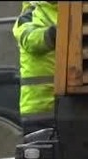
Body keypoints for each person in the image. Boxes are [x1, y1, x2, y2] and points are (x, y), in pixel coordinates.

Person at [12, 1, 58, 136]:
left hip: (73, 106)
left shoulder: (75, 11)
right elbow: (30, 40)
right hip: (39, 111)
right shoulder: (29, 15)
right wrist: (52, 34)